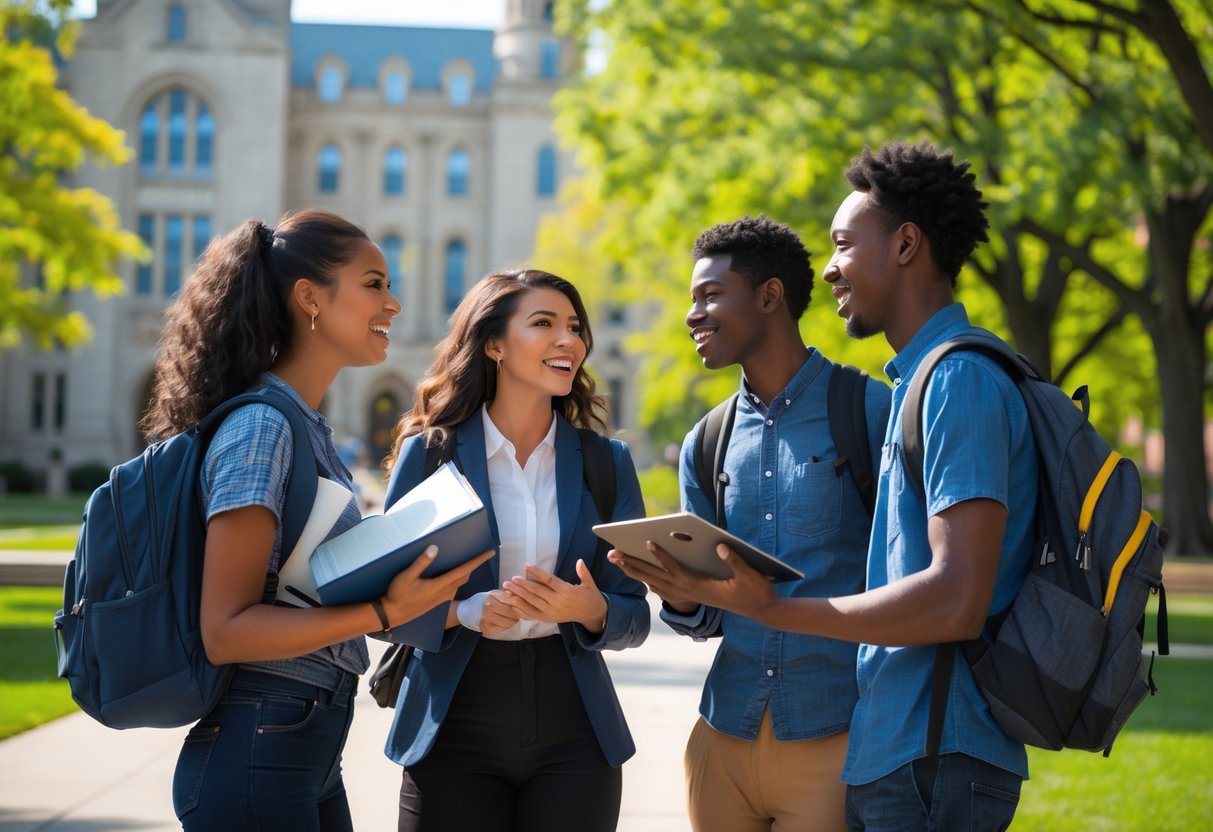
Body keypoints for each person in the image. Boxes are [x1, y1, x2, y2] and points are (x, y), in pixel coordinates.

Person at [611, 142, 1039, 830]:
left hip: (931, 748)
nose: (831, 266)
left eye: (842, 243)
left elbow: (956, 600)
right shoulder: (917, 388)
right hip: (891, 746)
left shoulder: (950, 384)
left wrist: (776, 609)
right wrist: (685, 589)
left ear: (904, 245)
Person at [142, 210, 492, 831]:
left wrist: (422, 599)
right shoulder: (262, 429)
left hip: (303, 740)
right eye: (374, 284)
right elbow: (226, 629)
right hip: (260, 738)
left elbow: (307, 599)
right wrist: (381, 612)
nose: (395, 302)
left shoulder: (304, 425)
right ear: (310, 298)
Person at [381, 268, 651, 832]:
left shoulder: (606, 463)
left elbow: (635, 614)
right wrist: (463, 613)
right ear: (495, 344)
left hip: (574, 720)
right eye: (544, 323)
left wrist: (591, 610)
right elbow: (382, 609)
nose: (568, 340)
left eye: (574, 327)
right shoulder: (431, 455)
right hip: (454, 715)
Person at [649, 215, 890, 832]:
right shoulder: (706, 440)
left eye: (709, 295)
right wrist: (679, 592)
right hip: (722, 736)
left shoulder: (869, 412)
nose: (692, 314)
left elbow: (910, 578)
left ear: (769, 296)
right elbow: (706, 619)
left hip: (834, 733)